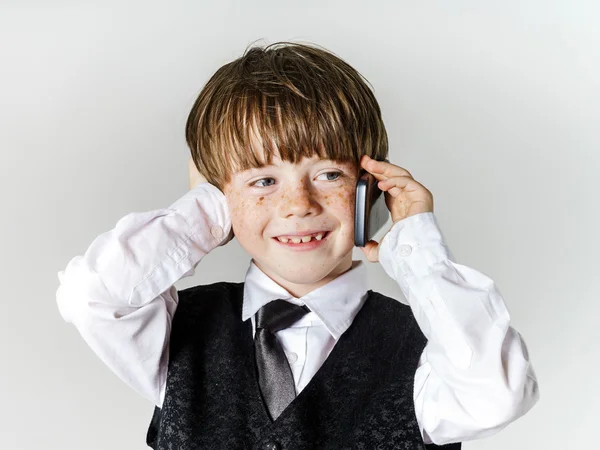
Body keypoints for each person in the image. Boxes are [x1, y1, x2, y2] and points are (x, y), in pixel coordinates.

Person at [56, 41, 539, 449]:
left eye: (328, 174)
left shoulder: (427, 350)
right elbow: (93, 296)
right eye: (263, 181)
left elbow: (498, 392)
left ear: (370, 189)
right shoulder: (177, 331)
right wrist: (204, 210)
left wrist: (416, 246)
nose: (297, 204)